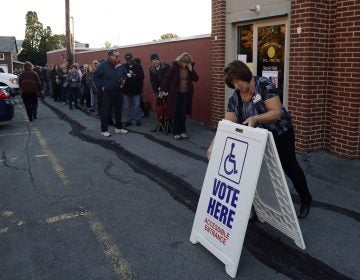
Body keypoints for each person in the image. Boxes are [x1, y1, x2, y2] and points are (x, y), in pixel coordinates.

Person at [207, 60, 312, 219]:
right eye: (232, 83)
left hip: (280, 133)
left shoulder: (263, 84)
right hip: (256, 139)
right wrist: (214, 144)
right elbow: (227, 123)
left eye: (237, 81)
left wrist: (255, 118)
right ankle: (259, 207)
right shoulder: (235, 98)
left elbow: (276, 112)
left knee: (290, 166)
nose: (236, 86)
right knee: (254, 171)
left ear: (244, 75)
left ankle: (305, 199)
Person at [161, 52, 199, 140]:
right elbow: (167, 78)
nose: (185, 64)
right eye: (183, 62)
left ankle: (183, 131)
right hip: (176, 93)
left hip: (186, 93)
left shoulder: (189, 68)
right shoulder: (174, 68)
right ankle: (176, 132)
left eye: (187, 63)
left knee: (183, 113)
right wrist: (164, 90)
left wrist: (191, 70)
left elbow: (196, 78)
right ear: (180, 61)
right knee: (176, 113)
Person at [93, 49, 128, 137]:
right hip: (107, 91)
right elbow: (95, 76)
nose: (118, 57)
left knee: (118, 110)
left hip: (118, 90)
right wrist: (102, 86)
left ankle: (118, 128)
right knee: (106, 110)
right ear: (110, 56)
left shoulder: (120, 65)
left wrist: (123, 80)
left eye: (118, 55)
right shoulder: (103, 65)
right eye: (116, 56)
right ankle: (104, 130)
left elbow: (124, 74)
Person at [149, 53, 170, 132]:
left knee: (167, 109)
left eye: (156, 60)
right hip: (158, 92)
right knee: (158, 109)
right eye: (153, 61)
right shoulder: (151, 69)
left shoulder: (167, 67)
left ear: (159, 59)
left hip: (167, 91)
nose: (154, 62)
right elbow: (152, 81)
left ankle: (168, 127)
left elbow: (169, 79)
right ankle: (159, 126)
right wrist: (157, 91)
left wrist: (165, 90)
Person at [123, 53, 145, 127]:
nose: (128, 61)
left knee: (137, 105)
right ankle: (129, 120)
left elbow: (142, 76)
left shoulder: (138, 66)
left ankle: (137, 120)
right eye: (127, 60)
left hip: (136, 89)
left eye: (129, 59)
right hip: (126, 90)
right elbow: (121, 76)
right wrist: (126, 76)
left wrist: (133, 75)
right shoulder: (124, 66)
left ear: (132, 58)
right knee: (127, 106)